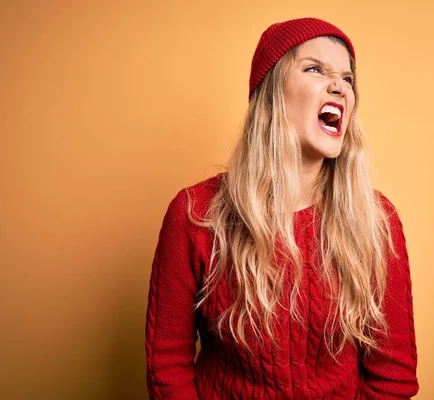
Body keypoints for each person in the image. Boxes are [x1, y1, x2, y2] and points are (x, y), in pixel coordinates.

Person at [145, 17, 419, 399]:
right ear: (272, 91)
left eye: (347, 78)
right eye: (315, 69)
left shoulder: (376, 221)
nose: (339, 86)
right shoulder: (195, 215)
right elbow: (167, 365)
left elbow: (393, 377)